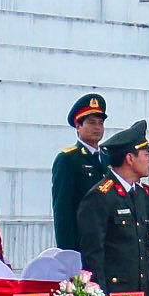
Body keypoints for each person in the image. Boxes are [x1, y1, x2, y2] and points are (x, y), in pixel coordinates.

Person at [76, 120, 149, 296]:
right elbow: (93, 254)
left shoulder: (144, 195)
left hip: (141, 293)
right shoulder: (100, 196)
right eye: (146, 153)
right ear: (130, 158)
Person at [50, 93, 109, 257]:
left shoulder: (107, 158)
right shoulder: (68, 159)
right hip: (82, 243)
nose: (97, 127)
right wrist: (69, 252)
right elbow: (63, 210)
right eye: (91, 122)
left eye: (100, 123)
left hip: (107, 244)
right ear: (78, 126)